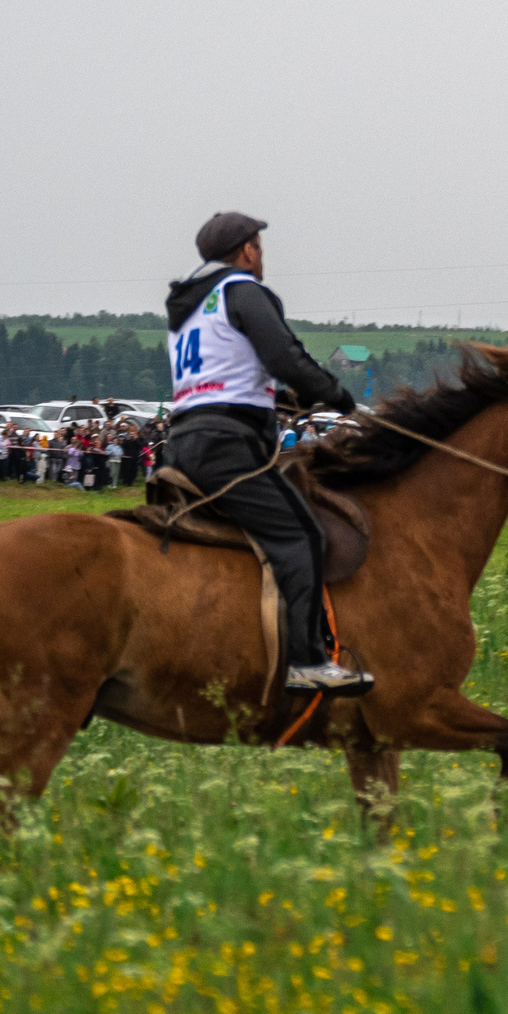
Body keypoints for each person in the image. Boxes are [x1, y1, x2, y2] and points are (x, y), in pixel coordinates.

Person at [162, 210, 370, 695]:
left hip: (184, 442)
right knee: (302, 535)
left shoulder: (190, 308)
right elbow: (285, 358)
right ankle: (307, 661)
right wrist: (336, 396)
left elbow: (222, 380)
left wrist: (279, 401)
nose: (261, 255)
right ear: (247, 250)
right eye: (259, 245)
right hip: (227, 447)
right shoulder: (243, 290)